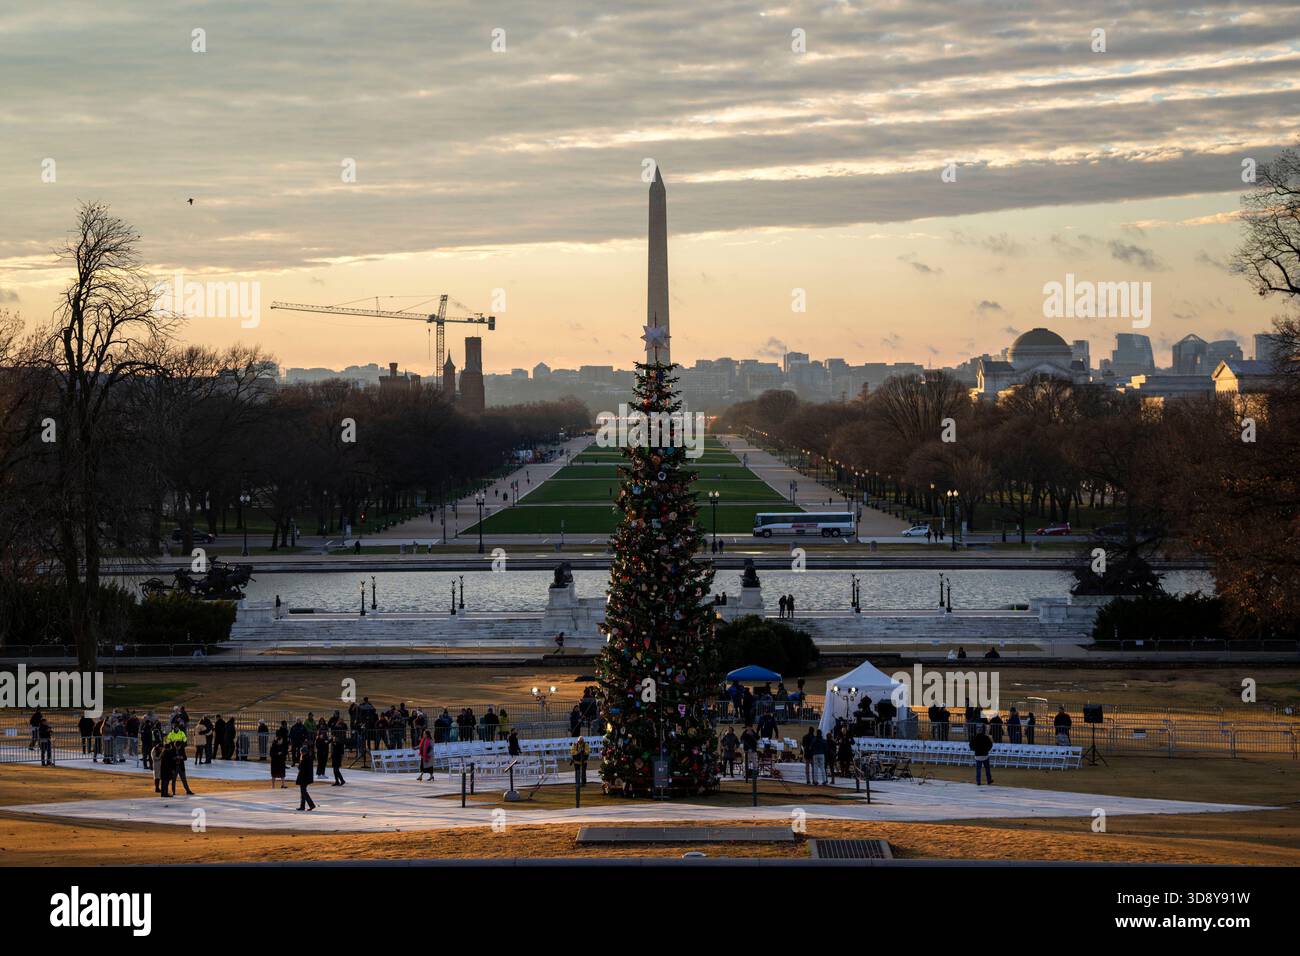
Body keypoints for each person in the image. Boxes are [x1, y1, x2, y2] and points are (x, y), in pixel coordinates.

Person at [296, 745, 316, 810]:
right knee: (303, 792)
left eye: (301, 752)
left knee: (303, 792)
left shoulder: (304, 758)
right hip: (307, 777)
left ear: (303, 752)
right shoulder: (308, 757)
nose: (300, 753)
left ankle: (311, 805)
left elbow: (300, 768)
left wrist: (300, 760)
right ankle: (302, 806)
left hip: (304, 778)